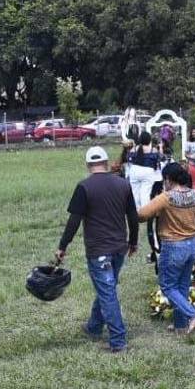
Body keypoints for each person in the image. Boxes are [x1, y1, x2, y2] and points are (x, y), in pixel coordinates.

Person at [56, 146, 139, 353]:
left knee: (107, 292)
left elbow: (74, 221)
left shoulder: (84, 187)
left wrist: (62, 247)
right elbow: (133, 216)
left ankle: (118, 341)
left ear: (87, 165)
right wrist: (133, 242)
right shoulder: (123, 184)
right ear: (106, 162)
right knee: (106, 289)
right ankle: (94, 327)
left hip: (98, 250)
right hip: (119, 248)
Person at [137, 163, 195, 334]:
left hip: (173, 245)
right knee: (182, 286)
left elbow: (141, 215)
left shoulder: (166, 197)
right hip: (192, 244)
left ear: (168, 179)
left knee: (167, 286)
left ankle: (192, 315)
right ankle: (180, 325)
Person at [125, 131, 161, 208]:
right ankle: (145, 213)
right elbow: (158, 161)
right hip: (148, 171)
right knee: (145, 193)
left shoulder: (134, 149)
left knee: (135, 193)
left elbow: (128, 159)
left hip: (135, 170)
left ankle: (136, 213)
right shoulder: (153, 149)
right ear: (149, 140)